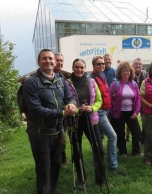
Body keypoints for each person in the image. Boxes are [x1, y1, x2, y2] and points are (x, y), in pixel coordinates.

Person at [23, 49, 77, 194]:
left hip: (58, 131)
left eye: (50, 58)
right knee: (43, 168)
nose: (48, 61)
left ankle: (51, 191)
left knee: (56, 165)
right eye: (44, 58)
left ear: (54, 61)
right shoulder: (31, 82)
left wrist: (71, 104)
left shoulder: (61, 80)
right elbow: (35, 109)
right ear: (38, 62)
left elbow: (69, 97)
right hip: (40, 133)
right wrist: (62, 113)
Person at [65, 58, 105, 189]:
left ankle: (100, 179)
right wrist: (77, 110)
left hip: (91, 121)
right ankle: (82, 179)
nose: (79, 70)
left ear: (85, 68)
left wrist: (92, 108)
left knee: (98, 149)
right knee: (77, 152)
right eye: (77, 67)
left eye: (82, 67)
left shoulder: (92, 82)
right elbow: (64, 103)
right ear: (73, 67)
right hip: (74, 123)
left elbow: (99, 100)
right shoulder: (67, 84)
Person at [90, 56, 125, 176]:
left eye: (102, 64)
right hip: (99, 112)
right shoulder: (92, 79)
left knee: (100, 136)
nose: (101, 65)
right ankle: (113, 165)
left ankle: (98, 160)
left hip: (106, 110)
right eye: (98, 64)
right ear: (93, 66)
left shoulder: (103, 76)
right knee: (112, 136)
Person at [109, 62, 141, 157]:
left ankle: (136, 151)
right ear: (120, 72)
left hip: (131, 112)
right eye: (123, 71)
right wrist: (111, 112)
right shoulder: (115, 84)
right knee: (120, 133)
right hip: (118, 113)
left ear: (130, 72)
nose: (126, 72)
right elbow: (109, 98)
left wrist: (136, 111)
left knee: (137, 132)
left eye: (127, 70)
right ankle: (123, 152)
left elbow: (138, 98)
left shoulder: (134, 84)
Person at [126, 58, 148, 145]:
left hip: (143, 100)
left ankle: (142, 139)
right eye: (136, 64)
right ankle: (127, 136)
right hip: (131, 100)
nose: (138, 65)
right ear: (133, 65)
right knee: (130, 119)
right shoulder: (129, 74)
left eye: (140, 64)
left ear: (142, 65)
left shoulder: (145, 74)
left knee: (144, 120)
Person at [53, 53, 68, 167]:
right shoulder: (49, 75)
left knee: (62, 140)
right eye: (57, 60)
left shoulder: (62, 77)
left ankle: (61, 156)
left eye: (61, 60)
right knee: (59, 140)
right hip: (51, 115)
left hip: (63, 114)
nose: (60, 63)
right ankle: (57, 160)